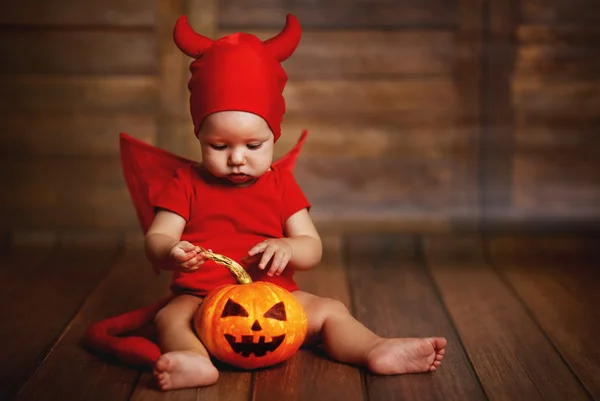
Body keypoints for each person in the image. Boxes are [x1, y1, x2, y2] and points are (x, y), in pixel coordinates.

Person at [145, 14, 447, 391]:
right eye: (219, 146)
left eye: (253, 146)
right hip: (202, 298)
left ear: (273, 137)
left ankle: (374, 349)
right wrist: (172, 251)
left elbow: (312, 247)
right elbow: (157, 237)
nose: (237, 157)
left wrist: (289, 246)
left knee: (331, 310)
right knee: (171, 318)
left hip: (275, 301)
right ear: (199, 138)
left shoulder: (280, 184)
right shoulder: (184, 182)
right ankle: (194, 358)